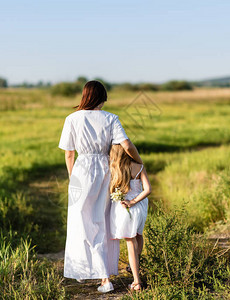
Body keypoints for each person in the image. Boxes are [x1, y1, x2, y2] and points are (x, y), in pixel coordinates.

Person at [59, 80, 143, 293]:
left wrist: (73, 178)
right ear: (101, 97)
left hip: (82, 170)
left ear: (84, 96)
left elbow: (69, 153)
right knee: (103, 223)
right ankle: (103, 276)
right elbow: (126, 144)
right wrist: (139, 161)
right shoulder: (111, 118)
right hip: (106, 170)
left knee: (80, 221)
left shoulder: (71, 119)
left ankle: (86, 270)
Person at [109, 144, 151, 292]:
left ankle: (136, 282)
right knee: (138, 235)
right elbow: (148, 190)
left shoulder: (115, 169)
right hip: (140, 207)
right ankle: (135, 265)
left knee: (130, 240)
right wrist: (135, 201)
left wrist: (129, 202)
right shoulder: (139, 166)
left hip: (127, 208)